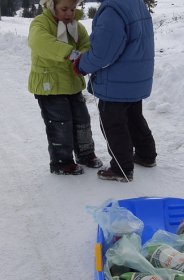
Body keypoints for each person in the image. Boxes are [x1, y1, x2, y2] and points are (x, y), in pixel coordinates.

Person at [73, 0, 157, 182]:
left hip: (117, 81)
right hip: (135, 75)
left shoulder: (112, 9)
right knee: (134, 118)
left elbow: (103, 52)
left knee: (113, 124)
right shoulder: (136, 3)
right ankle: (146, 155)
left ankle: (121, 168)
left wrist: (82, 64)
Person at [28, 0, 103, 175]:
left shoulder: (77, 27)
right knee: (60, 124)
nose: (69, 13)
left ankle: (85, 154)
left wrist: (84, 55)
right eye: (64, 9)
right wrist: (70, 52)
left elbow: (85, 43)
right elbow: (41, 43)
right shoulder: (40, 23)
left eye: (72, 9)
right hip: (50, 87)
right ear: (51, 6)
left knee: (82, 121)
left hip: (72, 84)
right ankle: (62, 162)